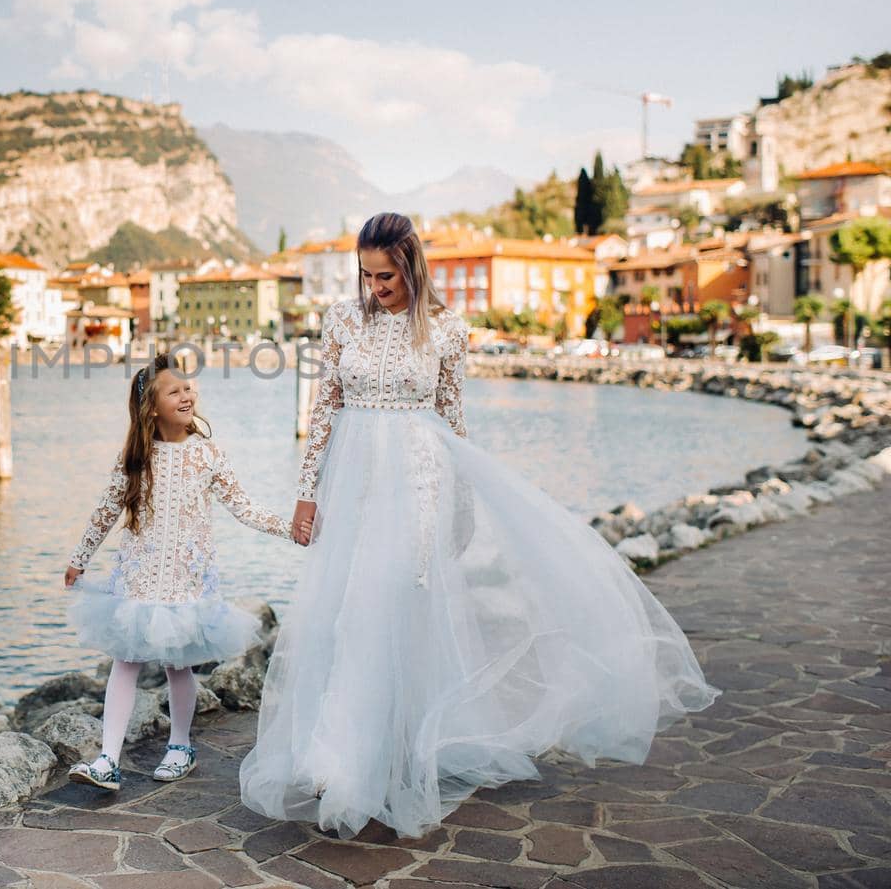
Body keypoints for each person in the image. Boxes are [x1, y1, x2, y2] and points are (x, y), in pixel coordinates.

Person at [239, 212, 718, 837]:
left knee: (389, 606)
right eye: (366, 274)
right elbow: (325, 409)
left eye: (385, 275)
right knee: (344, 607)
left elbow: (451, 419)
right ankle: (337, 751)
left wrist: (460, 505)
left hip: (415, 478)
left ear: (412, 265)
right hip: (350, 481)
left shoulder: (446, 328)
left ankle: (379, 754)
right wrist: (305, 495)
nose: (375, 287)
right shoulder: (341, 321)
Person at [64, 352, 294, 790]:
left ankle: (181, 745)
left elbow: (243, 508)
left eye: (188, 386)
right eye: (175, 391)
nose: (187, 394)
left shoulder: (206, 454)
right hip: (137, 577)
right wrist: (79, 558)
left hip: (185, 581)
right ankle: (107, 758)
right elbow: (105, 511)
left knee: (178, 667)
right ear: (152, 407)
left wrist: (290, 529)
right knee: (125, 662)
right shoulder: (135, 456)